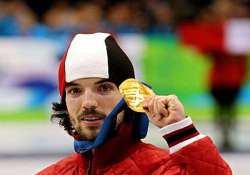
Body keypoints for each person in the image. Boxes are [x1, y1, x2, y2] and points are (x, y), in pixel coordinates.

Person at [37, 32, 232, 175]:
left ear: (129, 96)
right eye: (75, 91)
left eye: (104, 88)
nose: (88, 102)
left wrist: (182, 132)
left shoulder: (163, 170)